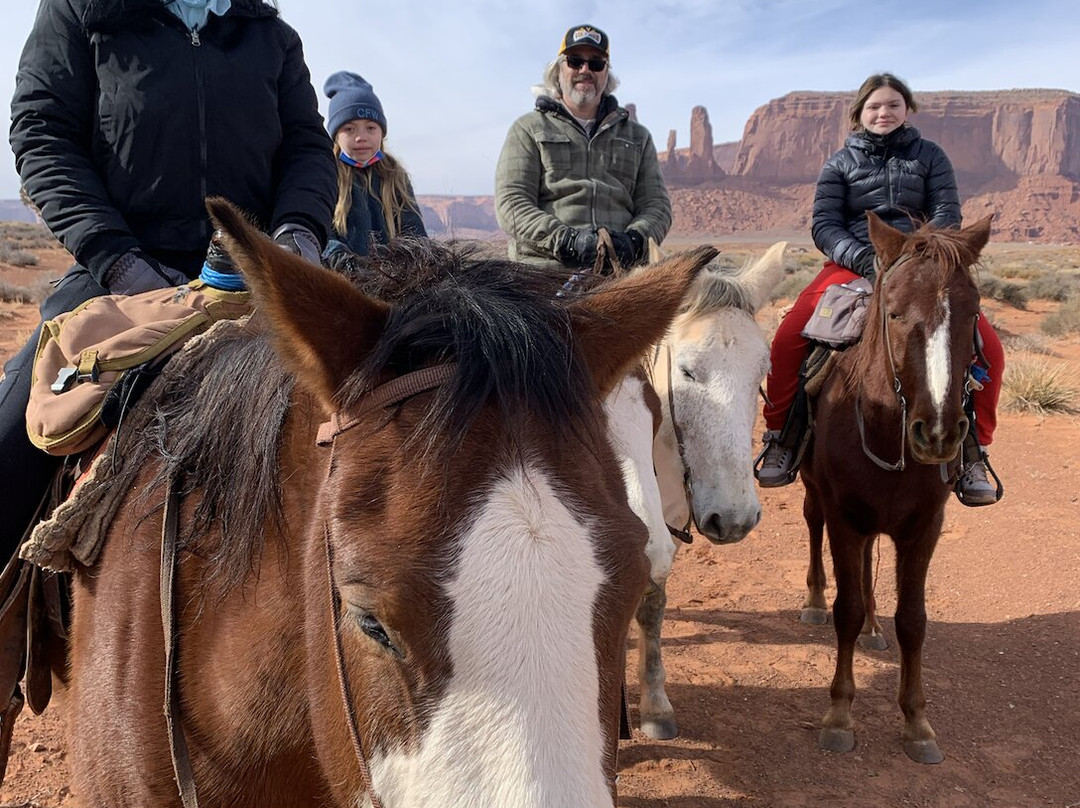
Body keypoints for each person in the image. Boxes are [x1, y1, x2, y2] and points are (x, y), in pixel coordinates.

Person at [2, 0, 338, 562]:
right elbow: (42, 133)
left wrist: (295, 238)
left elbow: (306, 145)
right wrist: (117, 259)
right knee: (13, 445)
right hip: (119, 276)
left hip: (250, 275)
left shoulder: (270, 34)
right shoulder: (80, 12)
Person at [755, 72, 1004, 506]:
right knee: (789, 337)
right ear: (860, 114)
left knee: (990, 350)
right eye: (874, 106)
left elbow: (947, 210)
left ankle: (972, 452)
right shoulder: (839, 163)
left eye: (892, 105)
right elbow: (824, 224)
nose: (883, 113)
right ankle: (782, 437)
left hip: (923, 268)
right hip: (853, 263)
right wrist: (868, 260)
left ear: (907, 110)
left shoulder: (931, 156)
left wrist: (917, 258)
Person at [494, 24, 671, 273]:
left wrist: (634, 241)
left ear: (607, 74)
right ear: (558, 71)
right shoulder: (528, 129)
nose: (585, 70)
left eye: (596, 63)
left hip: (623, 274)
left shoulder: (638, 137)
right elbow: (512, 202)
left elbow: (657, 205)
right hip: (544, 271)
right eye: (575, 61)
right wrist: (567, 242)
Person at [321, 71, 427, 263]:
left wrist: (419, 258)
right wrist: (341, 259)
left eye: (370, 128)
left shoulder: (395, 176)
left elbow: (414, 232)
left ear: (382, 132)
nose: (361, 137)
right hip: (339, 280)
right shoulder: (325, 173)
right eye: (349, 129)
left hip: (390, 280)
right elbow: (319, 232)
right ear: (336, 135)